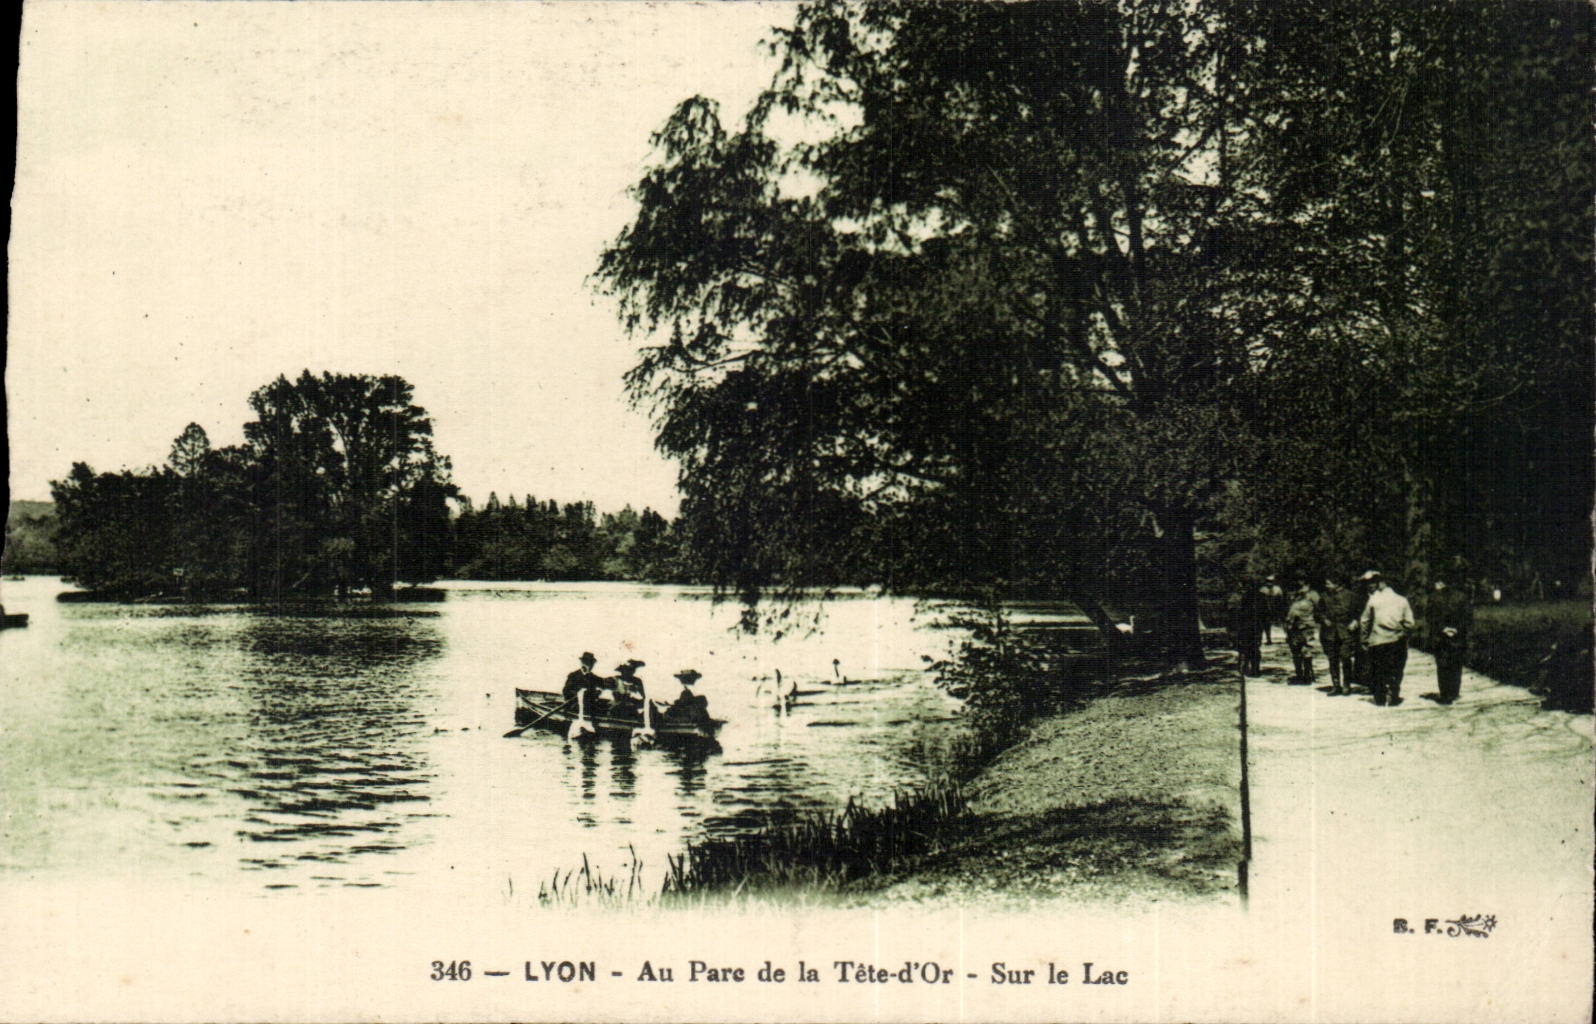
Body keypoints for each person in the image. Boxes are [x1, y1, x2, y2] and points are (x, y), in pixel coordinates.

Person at [1358, 571, 1415, 706]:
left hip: (1378, 640)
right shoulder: (1402, 600)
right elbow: (1410, 623)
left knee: (1378, 670)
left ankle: (1380, 698)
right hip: (1398, 641)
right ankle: (1394, 695)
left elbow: (1364, 621)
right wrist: (1403, 633)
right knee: (1397, 669)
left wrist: (1364, 639)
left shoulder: (1373, 600)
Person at [1427, 578, 1472, 704]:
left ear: (1441, 582)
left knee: (1442, 665)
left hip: (1440, 637)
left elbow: (1430, 617)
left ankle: (1445, 693)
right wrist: (1456, 629)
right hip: (1458, 637)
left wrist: (1444, 629)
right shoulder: (1462, 597)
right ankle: (1454, 692)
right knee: (1456, 664)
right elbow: (1468, 617)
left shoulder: (1434, 597)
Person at [1317, 577, 1359, 695]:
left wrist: (1355, 622)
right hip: (1329, 633)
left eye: (1328, 583)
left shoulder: (1351, 596)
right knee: (1332, 658)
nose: (1326, 586)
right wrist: (1323, 619)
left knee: (1346, 657)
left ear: (1337, 583)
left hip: (1346, 632)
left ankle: (1346, 685)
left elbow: (1359, 612)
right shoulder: (1324, 596)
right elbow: (1318, 612)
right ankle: (1336, 685)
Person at [1284, 581, 1320, 684]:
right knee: (1295, 651)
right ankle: (1299, 674)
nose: (1301, 588)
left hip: (1306, 626)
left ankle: (1307, 675)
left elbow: (1320, 609)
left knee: (1306, 650)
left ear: (1307, 585)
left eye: (1303, 585)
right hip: (1293, 627)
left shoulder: (1313, 595)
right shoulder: (1294, 596)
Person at [1229, 582, 1263, 676]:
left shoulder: (1244, 597)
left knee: (1245, 647)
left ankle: (1245, 668)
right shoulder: (1260, 597)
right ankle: (1254, 669)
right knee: (1254, 647)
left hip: (1246, 625)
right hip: (1255, 626)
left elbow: (1235, 613)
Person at [1258, 576, 1285, 644]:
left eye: (1271, 582)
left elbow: (1281, 599)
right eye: (1268, 581)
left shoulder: (1277, 589)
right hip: (1266, 609)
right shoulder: (1263, 589)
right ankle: (1268, 638)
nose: (1269, 583)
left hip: (1277, 608)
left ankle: (1289, 636)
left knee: (1284, 622)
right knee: (1266, 624)